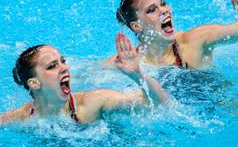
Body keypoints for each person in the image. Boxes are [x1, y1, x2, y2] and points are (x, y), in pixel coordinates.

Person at [105, 0, 238, 69]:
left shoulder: (195, 40)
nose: (164, 10)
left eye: (163, 4)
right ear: (137, 26)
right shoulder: (127, 62)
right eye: (152, 9)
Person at [0, 43, 168, 124]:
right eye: (52, 66)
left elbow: (159, 103)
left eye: (62, 61)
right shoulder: (22, 118)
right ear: (34, 83)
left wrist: (138, 75)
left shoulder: (93, 103)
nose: (64, 68)